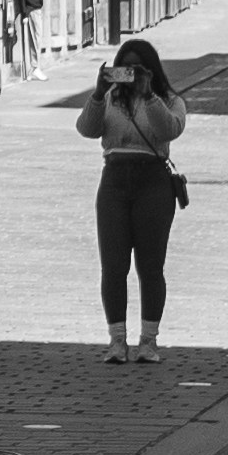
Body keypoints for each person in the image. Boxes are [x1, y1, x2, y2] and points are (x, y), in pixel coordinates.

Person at [80, 33, 189, 361]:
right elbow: (87, 128)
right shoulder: (110, 97)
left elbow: (170, 130)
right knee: (113, 265)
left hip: (152, 183)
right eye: (124, 69)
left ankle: (149, 341)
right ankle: (116, 341)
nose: (129, 75)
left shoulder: (169, 100)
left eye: (137, 70)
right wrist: (99, 93)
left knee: (151, 266)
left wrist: (149, 95)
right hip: (114, 180)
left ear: (151, 71)